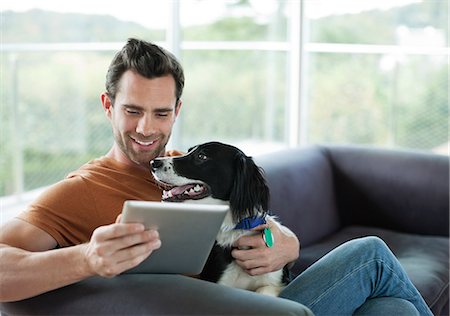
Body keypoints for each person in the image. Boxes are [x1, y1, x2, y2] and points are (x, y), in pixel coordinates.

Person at [0, 38, 432, 315]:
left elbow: (252, 229)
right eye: (132, 111)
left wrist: (281, 244)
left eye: (161, 113)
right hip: (219, 310)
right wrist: (85, 259)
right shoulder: (78, 191)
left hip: (255, 296)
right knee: (372, 253)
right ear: (108, 106)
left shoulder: (186, 166)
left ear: (178, 111)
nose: (147, 129)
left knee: (394, 309)